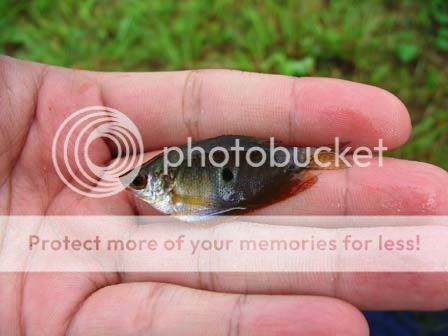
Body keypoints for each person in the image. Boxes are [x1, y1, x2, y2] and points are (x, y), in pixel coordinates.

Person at [0, 56, 447, 335]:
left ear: (158, 182)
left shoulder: (171, 183)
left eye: (140, 183)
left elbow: (218, 197)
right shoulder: (168, 183)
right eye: (139, 183)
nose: (139, 188)